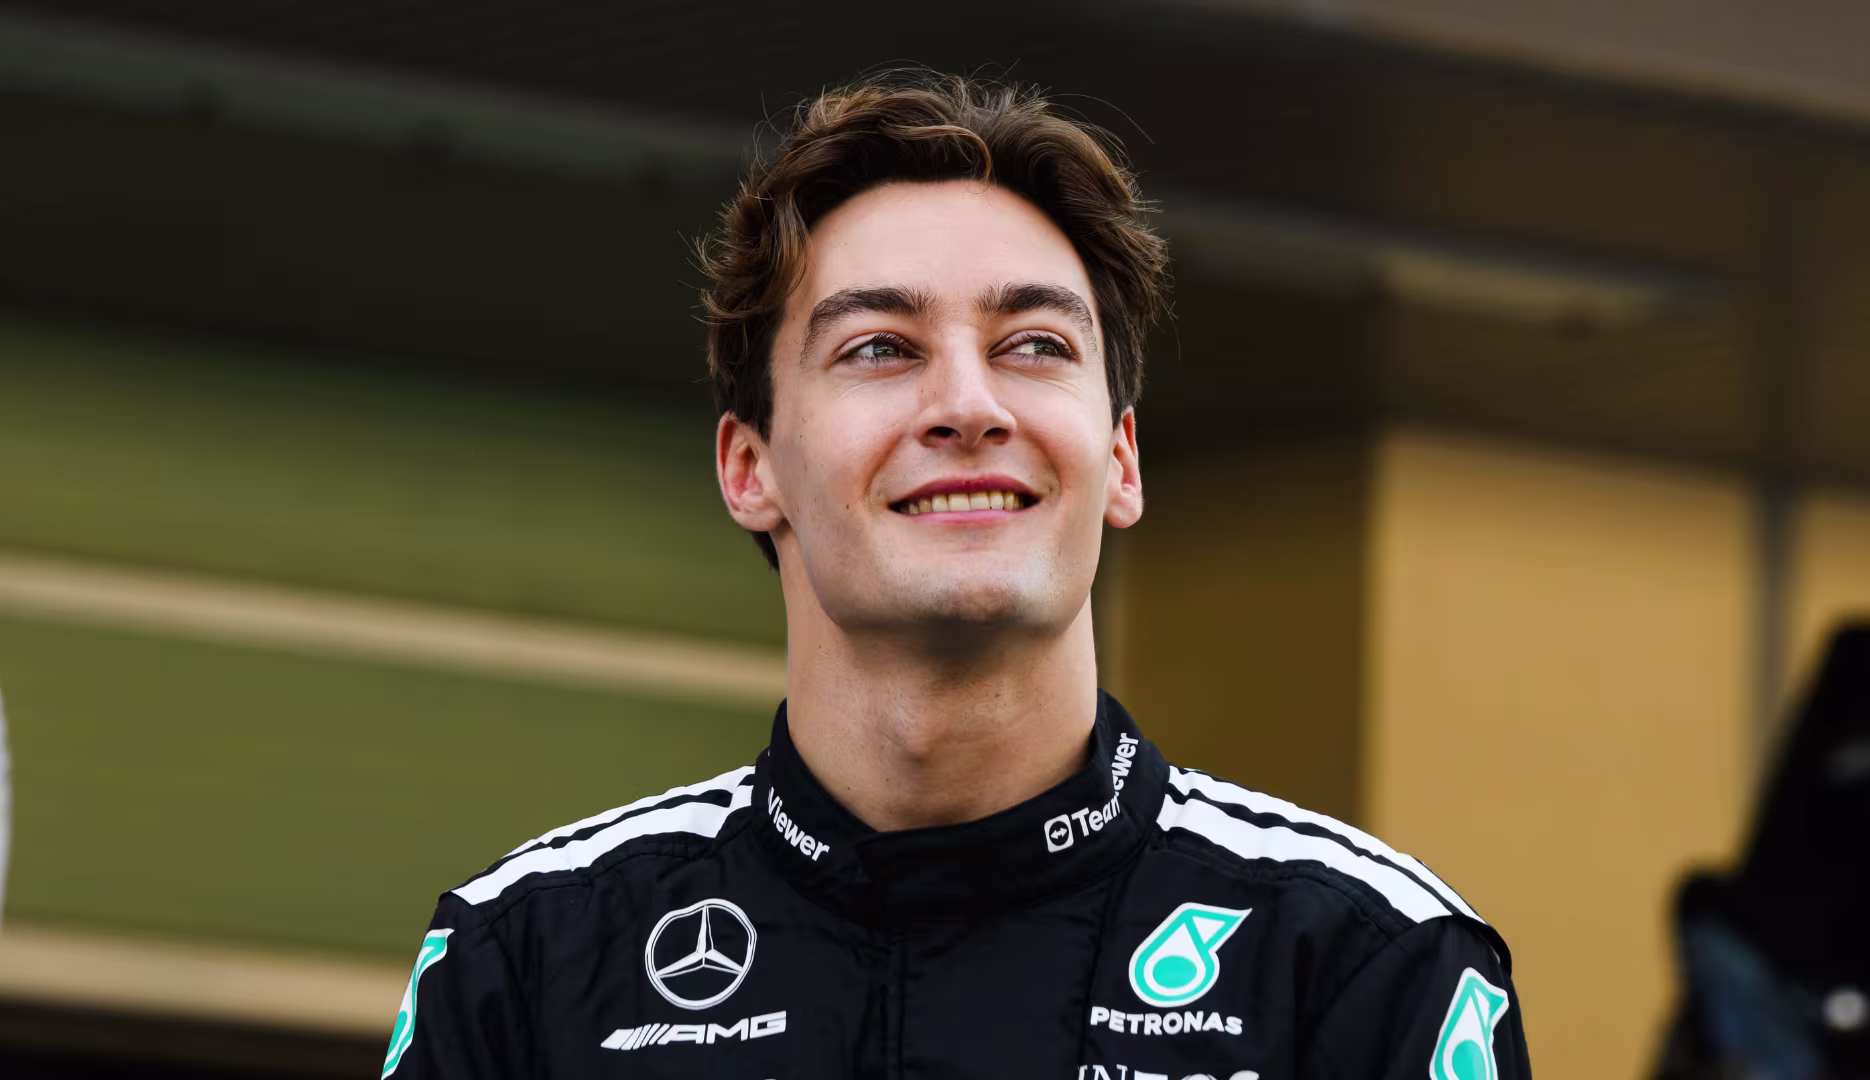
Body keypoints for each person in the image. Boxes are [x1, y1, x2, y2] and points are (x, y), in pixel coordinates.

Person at [384, 70, 1530, 1080]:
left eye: (1035, 346)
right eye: (880, 348)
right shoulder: (528, 958)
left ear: (1121, 460)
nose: (970, 407)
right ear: (749, 468)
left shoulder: (1363, 959)